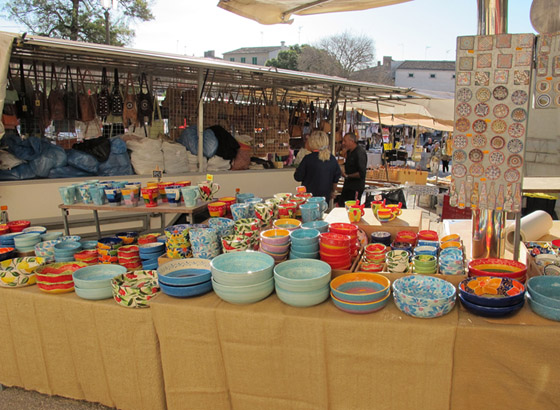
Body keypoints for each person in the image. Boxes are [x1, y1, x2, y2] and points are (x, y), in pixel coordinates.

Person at [293, 130, 341, 200]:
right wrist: (332, 191)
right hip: (325, 196)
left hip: (309, 197)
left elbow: (298, 177)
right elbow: (336, 179)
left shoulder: (308, 158)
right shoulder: (332, 159)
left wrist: (296, 169)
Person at [339, 132, 367, 206]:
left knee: (353, 207)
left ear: (352, 141)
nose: (343, 143)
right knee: (342, 205)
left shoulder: (360, 153)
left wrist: (348, 176)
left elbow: (362, 173)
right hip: (347, 186)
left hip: (355, 187)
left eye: (345, 141)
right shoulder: (349, 152)